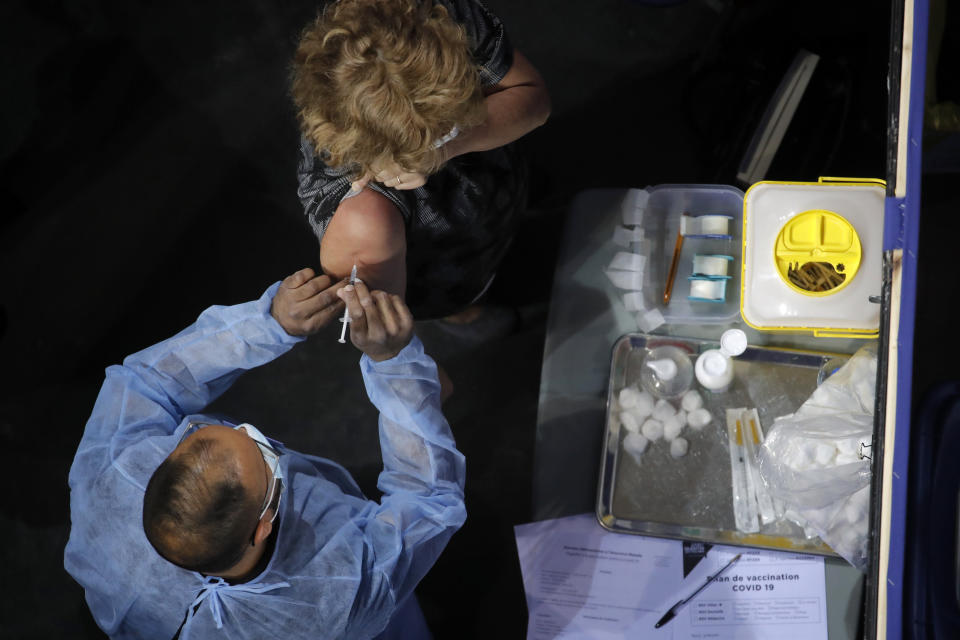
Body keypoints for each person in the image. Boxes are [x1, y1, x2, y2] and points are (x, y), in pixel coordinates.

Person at [64, 269, 466, 639]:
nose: (249, 431)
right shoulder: (340, 594)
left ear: (159, 468)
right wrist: (396, 368)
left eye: (216, 433)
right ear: (263, 527)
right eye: (265, 456)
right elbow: (426, 500)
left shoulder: (112, 478)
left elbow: (149, 380)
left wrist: (270, 323)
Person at [292, 0, 551, 320]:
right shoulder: (364, 221)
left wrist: (447, 146)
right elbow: (383, 321)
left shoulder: (433, 16)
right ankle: (466, 313)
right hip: (452, 268)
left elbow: (533, 98)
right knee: (464, 302)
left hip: (497, 192)